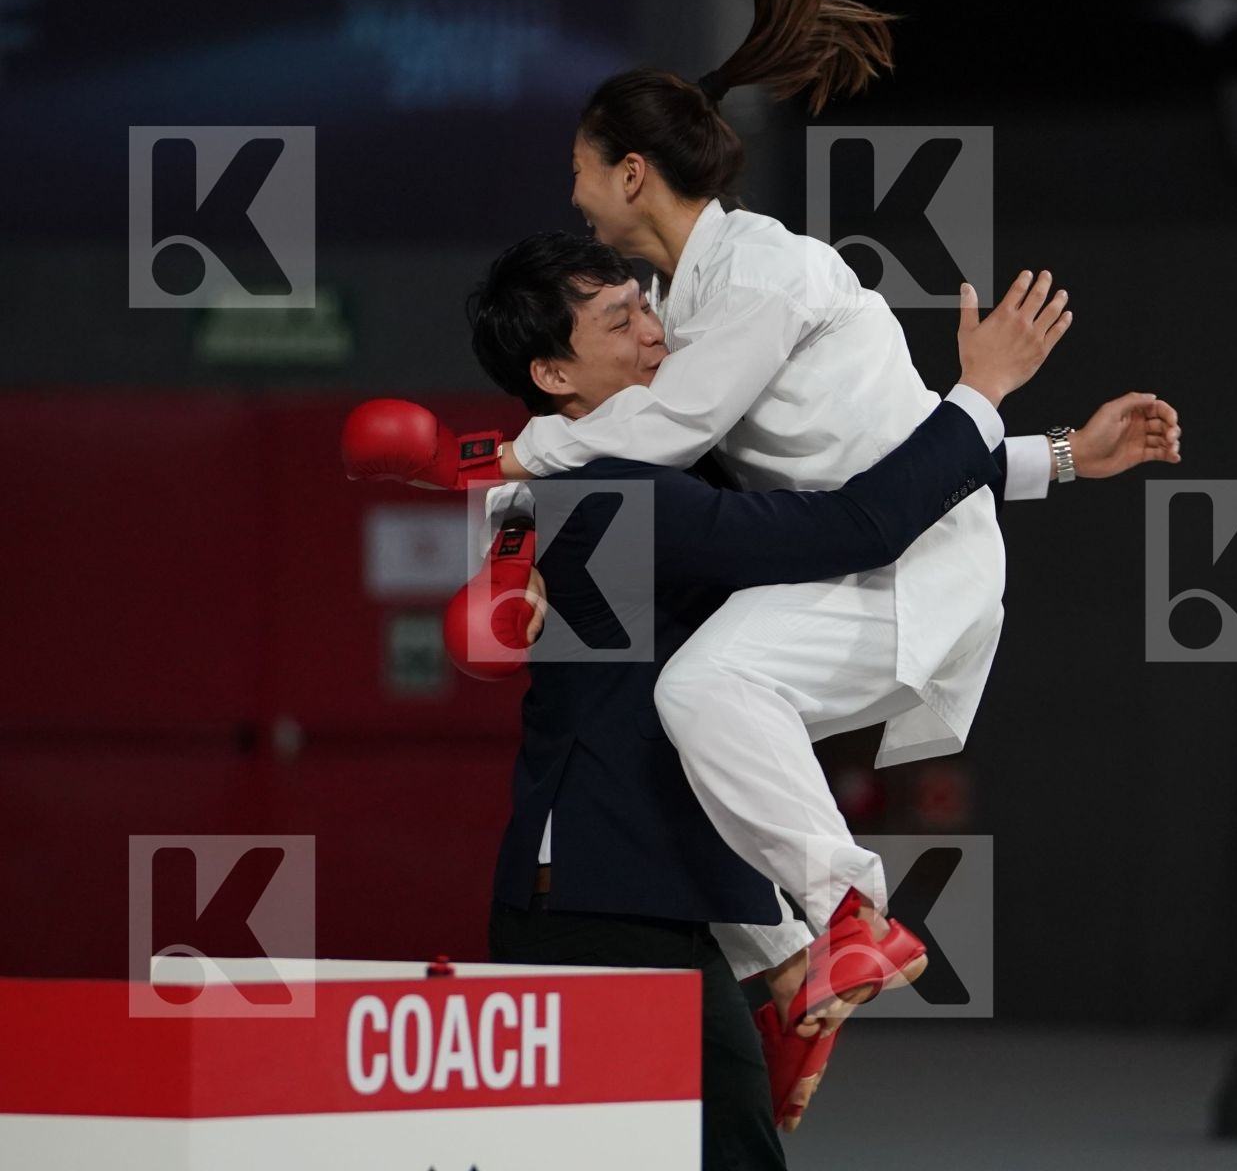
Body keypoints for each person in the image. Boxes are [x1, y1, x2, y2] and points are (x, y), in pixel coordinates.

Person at [343, 0, 1181, 1130]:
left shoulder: (742, 301)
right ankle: (801, 956)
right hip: (624, 865)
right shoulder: (654, 409)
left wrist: (484, 470)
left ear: (631, 172)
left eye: (585, 172)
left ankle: (833, 928)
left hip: (877, 597)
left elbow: (848, 503)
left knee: (709, 689)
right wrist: (1054, 455)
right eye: (615, 321)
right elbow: (842, 475)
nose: (642, 322)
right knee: (713, 717)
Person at [365, 229, 1058, 1168]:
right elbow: (856, 522)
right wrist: (980, 391)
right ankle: (802, 950)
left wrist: (1057, 458)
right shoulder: (618, 499)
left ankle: (783, 961)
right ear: (554, 372)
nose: (657, 334)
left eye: (647, 304)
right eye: (620, 322)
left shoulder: (647, 468)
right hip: (603, 900)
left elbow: (849, 469)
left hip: (667, 889)